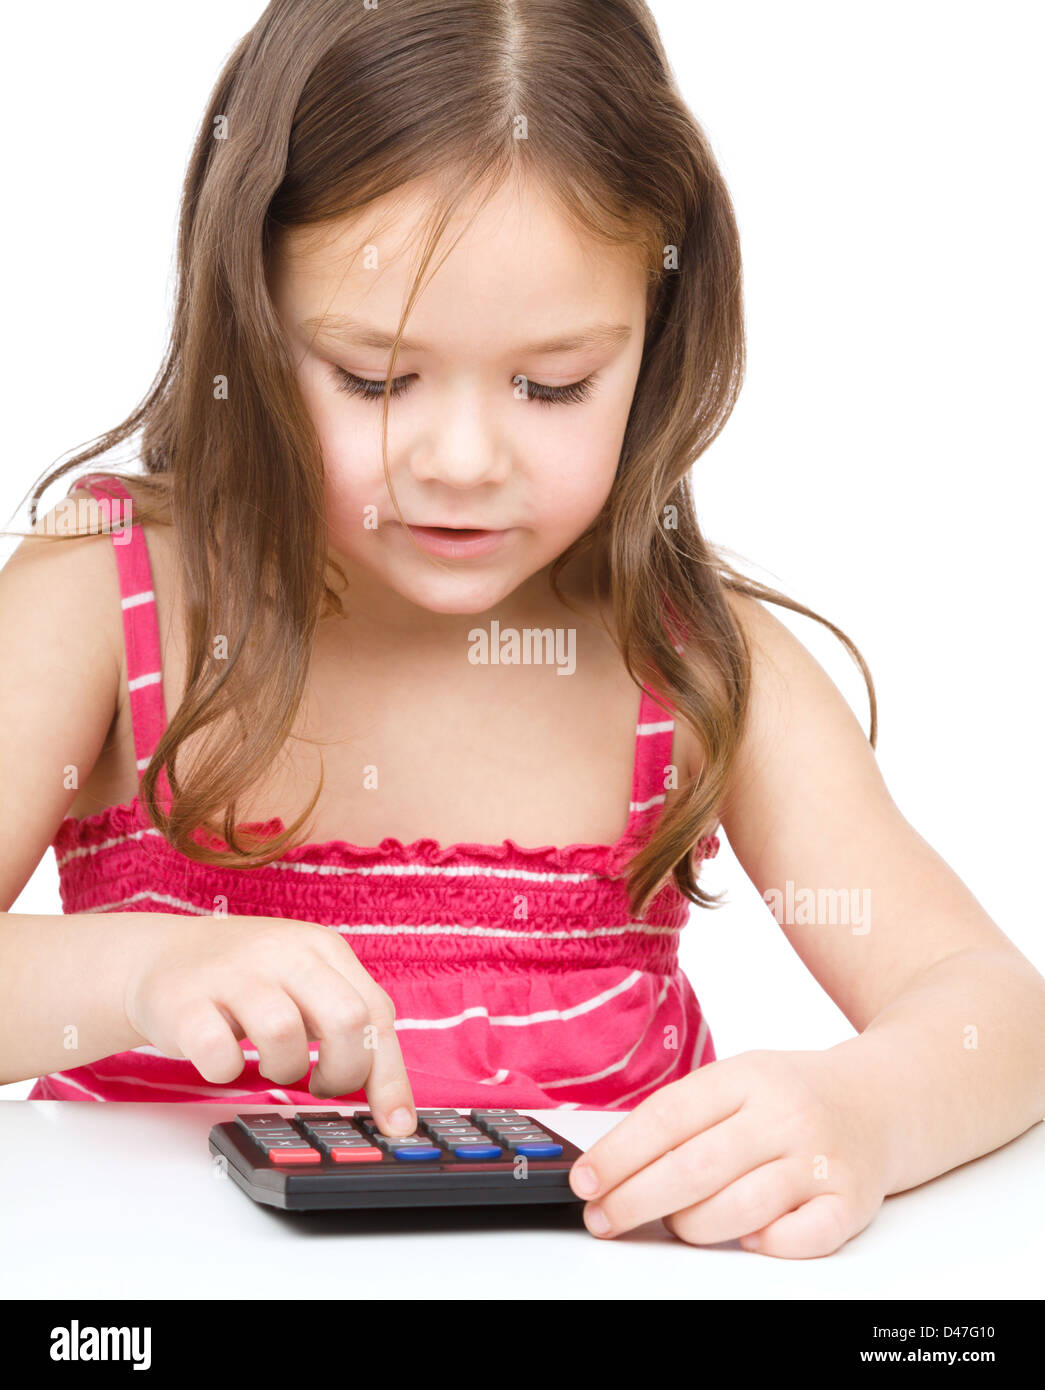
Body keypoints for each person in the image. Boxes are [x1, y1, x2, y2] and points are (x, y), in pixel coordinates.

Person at [1, 0, 1042, 1258]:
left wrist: (856, 1112)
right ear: (254, 315)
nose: (459, 459)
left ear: (655, 341)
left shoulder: (696, 663)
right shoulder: (102, 605)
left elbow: (996, 1014)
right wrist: (132, 980)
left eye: (550, 385)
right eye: (376, 379)